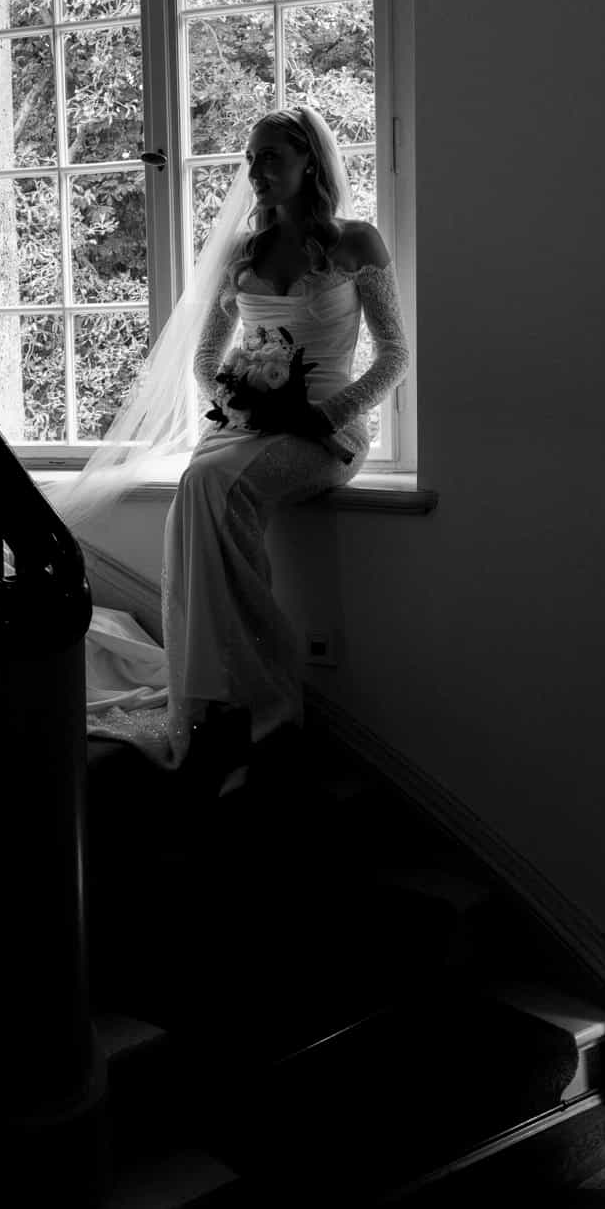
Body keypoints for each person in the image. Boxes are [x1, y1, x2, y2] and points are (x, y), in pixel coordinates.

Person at [161, 105, 410, 805]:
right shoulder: (244, 251)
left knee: (208, 482)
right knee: (199, 486)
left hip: (330, 429)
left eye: (270, 155)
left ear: (309, 161)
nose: (256, 171)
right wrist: (239, 400)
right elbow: (207, 358)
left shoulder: (355, 242)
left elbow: (395, 354)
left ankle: (261, 710)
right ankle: (231, 704)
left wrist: (324, 415)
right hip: (248, 426)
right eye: (250, 157)